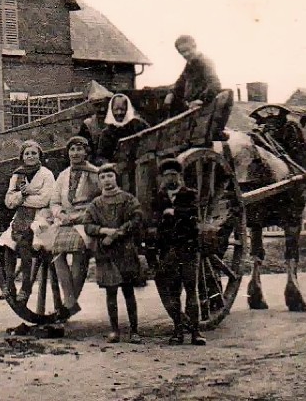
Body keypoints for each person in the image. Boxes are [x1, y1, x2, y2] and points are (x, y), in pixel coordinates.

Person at [77, 163, 145, 343]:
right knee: (111, 293)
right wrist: (103, 231)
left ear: (116, 178)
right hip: (106, 253)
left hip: (125, 250)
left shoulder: (127, 198)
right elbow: (88, 225)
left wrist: (118, 233)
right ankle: (114, 330)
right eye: (103, 177)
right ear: (99, 182)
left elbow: (136, 217)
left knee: (128, 292)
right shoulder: (96, 204)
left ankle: (135, 330)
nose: (107, 181)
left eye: (110, 176)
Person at [151, 157, 205, 346]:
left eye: (173, 175)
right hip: (169, 249)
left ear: (179, 177)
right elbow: (156, 220)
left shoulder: (190, 194)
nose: (170, 178)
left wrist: (174, 213)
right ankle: (178, 330)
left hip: (188, 249)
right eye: (167, 176)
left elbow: (193, 215)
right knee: (173, 291)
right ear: (162, 179)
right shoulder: (159, 198)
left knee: (191, 289)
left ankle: (196, 333)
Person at [48, 135, 101, 313]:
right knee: (57, 251)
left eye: (79, 149)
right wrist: (60, 213)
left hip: (85, 220)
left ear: (86, 152)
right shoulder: (63, 175)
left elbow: (100, 200)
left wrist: (85, 215)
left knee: (79, 251)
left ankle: (69, 303)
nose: (75, 153)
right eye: (72, 149)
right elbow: (54, 201)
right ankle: (70, 300)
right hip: (65, 220)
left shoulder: (94, 173)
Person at [0, 139, 56, 301]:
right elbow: (9, 202)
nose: (30, 156)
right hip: (21, 216)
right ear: (22, 157)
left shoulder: (46, 174)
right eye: (27, 153)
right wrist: (23, 194)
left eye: (33, 153)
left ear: (39, 155)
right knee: (7, 243)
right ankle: (9, 285)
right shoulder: (18, 175)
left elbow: (45, 200)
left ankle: (25, 286)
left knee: (25, 242)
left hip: (42, 216)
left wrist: (24, 198)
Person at [166, 35, 234, 144]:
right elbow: (180, 82)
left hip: (202, 106)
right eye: (182, 52)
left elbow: (215, 83)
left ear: (194, 46)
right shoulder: (190, 64)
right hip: (191, 106)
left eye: (188, 50)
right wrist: (171, 92)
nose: (185, 54)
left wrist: (202, 100)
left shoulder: (205, 62)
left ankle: (215, 132)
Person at [95, 92, 147, 165]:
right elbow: (100, 157)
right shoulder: (107, 133)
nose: (119, 113)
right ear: (111, 110)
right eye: (116, 109)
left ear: (127, 109)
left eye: (122, 109)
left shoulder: (139, 125)